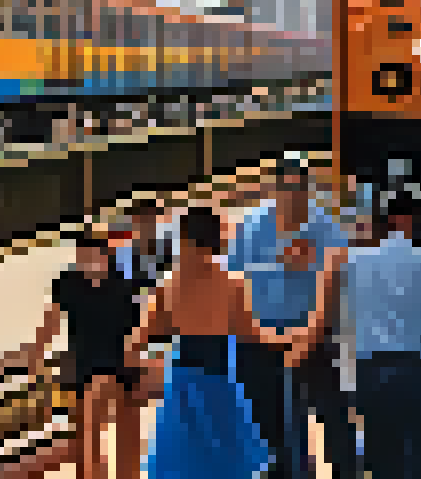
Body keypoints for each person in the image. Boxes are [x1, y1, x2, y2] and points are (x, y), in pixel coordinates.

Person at [299, 190, 421, 479]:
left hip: (370, 376)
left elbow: (334, 323)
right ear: (410, 221)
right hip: (419, 373)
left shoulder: (351, 264)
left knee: (382, 462)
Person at [126, 204, 290, 479]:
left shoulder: (169, 285)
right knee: (223, 465)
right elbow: (253, 335)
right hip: (219, 382)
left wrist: (141, 373)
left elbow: (137, 341)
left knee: (183, 464)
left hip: (182, 385)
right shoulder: (230, 284)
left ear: (186, 240)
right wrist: (291, 339)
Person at [223, 153, 353, 479]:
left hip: (314, 334)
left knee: (330, 414)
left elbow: (340, 282)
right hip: (259, 337)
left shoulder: (326, 227)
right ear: (274, 187)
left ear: (308, 188)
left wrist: (311, 334)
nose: (293, 194)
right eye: (286, 186)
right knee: (267, 419)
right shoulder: (249, 226)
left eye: (299, 186)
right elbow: (232, 283)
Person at [23, 230, 142, 479]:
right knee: (86, 434)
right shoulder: (69, 283)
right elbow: (51, 322)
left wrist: (136, 359)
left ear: (105, 257)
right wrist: (36, 357)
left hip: (119, 362)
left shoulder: (122, 283)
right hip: (84, 363)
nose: (86, 263)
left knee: (125, 431)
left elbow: (136, 329)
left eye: (91, 257)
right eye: (82, 258)